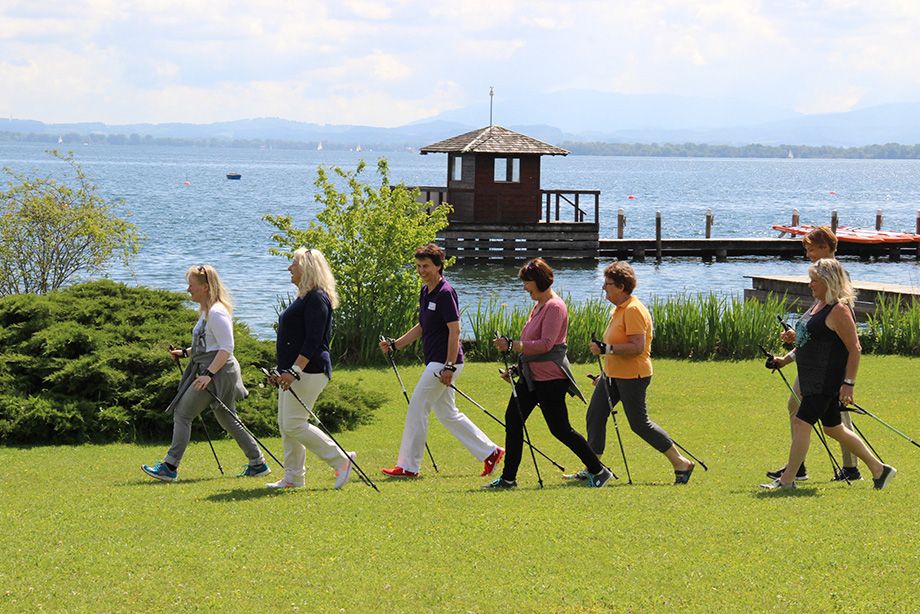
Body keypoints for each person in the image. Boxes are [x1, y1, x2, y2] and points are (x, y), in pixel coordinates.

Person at [760, 258, 896, 490]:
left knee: (802, 423)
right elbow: (807, 341)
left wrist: (849, 384)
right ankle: (880, 470)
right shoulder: (818, 305)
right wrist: (784, 360)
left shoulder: (839, 310)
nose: (810, 284)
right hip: (811, 378)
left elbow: (855, 349)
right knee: (834, 428)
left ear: (829, 282)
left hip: (825, 380)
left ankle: (787, 480)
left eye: (814, 280)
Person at [486, 258, 612, 489]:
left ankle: (599, 470)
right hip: (531, 377)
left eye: (528, 282)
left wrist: (513, 345)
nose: (525, 287)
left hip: (551, 379)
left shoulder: (555, 306)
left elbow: (546, 344)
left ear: (540, 281)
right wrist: (516, 368)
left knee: (560, 429)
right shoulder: (539, 306)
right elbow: (531, 345)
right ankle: (508, 478)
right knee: (513, 420)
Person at [379, 243, 504, 478]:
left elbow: (454, 331)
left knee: (417, 407)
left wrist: (448, 366)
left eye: (426, 266)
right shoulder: (426, 291)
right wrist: (396, 344)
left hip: (444, 363)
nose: (421, 270)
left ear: (438, 266)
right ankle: (491, 452)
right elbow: (423, 326)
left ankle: (408, 467)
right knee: (448, 413)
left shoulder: (446, 292)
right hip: (437, 362)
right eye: (418, 266)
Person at [143, 265, 269, 482]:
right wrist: (184, 353)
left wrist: (208, 375)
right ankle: (258, 463)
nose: (187, 289)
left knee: (183, 413)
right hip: (213, 369)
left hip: (218, 372)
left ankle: (169, 467)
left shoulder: (217, 312)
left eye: (191, 285)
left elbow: (226, 348)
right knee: (228, 419)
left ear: (205, 286)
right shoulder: (206, 312)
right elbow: (208, 345)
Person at [574, 261, 695, 484]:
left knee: (639, 424)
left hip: (633, 376)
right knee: (595, 416)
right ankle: (593, 467)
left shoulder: (633, 310)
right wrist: (605, 370)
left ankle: (681, 463)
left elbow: (637, 347)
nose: (604, 288)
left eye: (608, 283)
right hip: (612, 375)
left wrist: (605, 349)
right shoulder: (618, 309)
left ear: (621, 286)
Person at [767, 226, 861, 482]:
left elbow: (842, 327)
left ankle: (851, 468)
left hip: (828, 364)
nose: (808, 254)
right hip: (813, 361)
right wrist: (797, 337)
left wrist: (848, 381)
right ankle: (798, 467)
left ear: (826, 248)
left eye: (811, 249)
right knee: (799, 408)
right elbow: (818, 320)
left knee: (837, 416)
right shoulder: (819, 277)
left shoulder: (835, 277)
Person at [265, 248, 355, 489]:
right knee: (287, 425)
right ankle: (293, 477)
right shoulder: (305, 296)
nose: (289, 268)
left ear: (307, 268)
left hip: (309, 371)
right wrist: (281, 369)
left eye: (293, 263)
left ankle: (341, 461)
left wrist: (294, 370)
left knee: (294, 424)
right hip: (294, 371)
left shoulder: (317, 297)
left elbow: (314, 340)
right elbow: (293, 338)